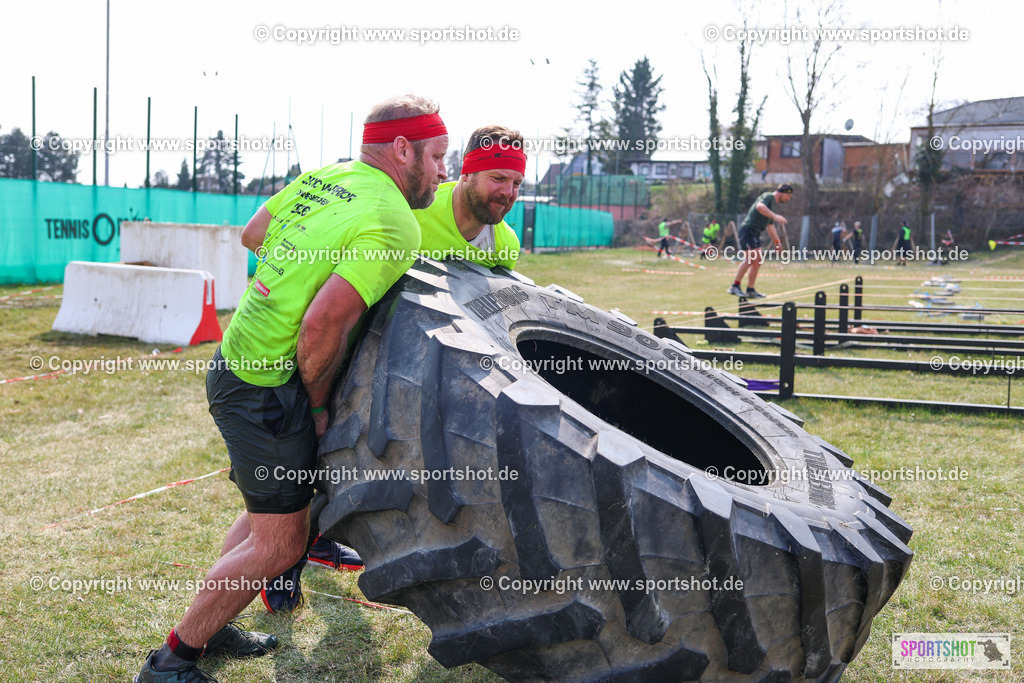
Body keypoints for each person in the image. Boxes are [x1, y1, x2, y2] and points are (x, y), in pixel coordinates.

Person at [134, 95, 449, 682]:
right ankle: (173, 661)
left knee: (274, 523)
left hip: (236, 363)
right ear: (404, 150)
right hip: (267, 389)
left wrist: (293, 269)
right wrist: (318, 403)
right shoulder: (395, 221)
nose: (442, 172)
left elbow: (255, 234)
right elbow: (322, 325)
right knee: (281, 546)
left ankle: (215, 620)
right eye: (437, 157)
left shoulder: (326, 175)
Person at [260, 125, 527, 612]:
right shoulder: (415, 215)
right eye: (497, 178)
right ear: (467, 171)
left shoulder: (503, 245)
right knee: (306, 458)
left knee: (367, 465)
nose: (507, 193)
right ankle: (283, 564)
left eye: (516, 183)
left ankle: (316, 538)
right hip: (348, 352)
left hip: (417, 377)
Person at [727, 184, 792, 298]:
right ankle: (735, 286)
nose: (789, 199)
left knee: (757, 261)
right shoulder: (768, 197)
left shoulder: (772, 206)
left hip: (755, 233)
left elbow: (770, 226)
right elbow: (759, 207)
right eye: (788, 195)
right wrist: (776, 216)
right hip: (748, 230)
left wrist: (777, 242)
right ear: (782, 192)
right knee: (751, 259)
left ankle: (750, 290)